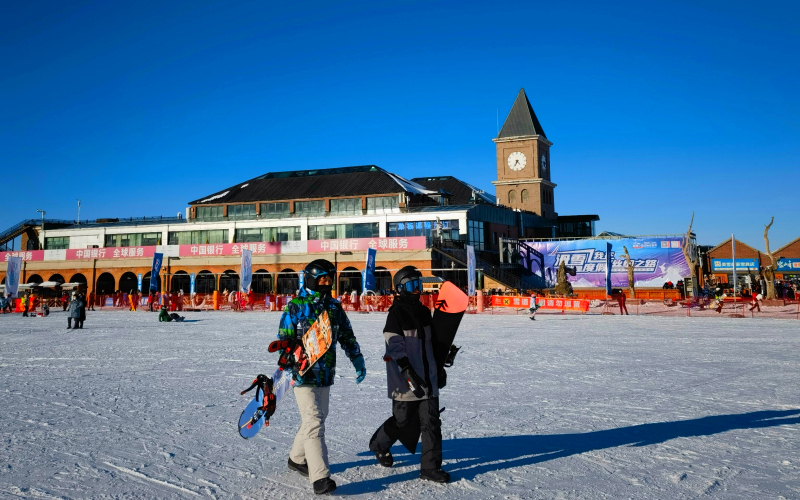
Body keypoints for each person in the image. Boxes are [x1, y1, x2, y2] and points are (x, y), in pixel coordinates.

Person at [279, 259, 365, 495]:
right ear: (310, 279)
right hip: (303, 374)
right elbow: (283, 339)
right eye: (322, 279)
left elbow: (347, 336)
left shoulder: (335, 307)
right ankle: (320, 477)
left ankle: (296, 458)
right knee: (314, 420)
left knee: (315, 419)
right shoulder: (295, 306)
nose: (326, 283)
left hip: (326, 373)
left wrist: (357, 359)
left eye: (329, 279)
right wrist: (289, 356)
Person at [369, 266, 450, 484]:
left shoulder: (424, 312)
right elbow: (393, 345)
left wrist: (440, 365)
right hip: (406, 380)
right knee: (402, 420)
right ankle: (379, 444)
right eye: (413, 286)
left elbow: (431, 343)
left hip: (428, 377)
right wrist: (406, 370)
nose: (417, 290)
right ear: (401, 289)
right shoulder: (396, 314)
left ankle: (430, 468)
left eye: (419, 285)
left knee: (431, 423)